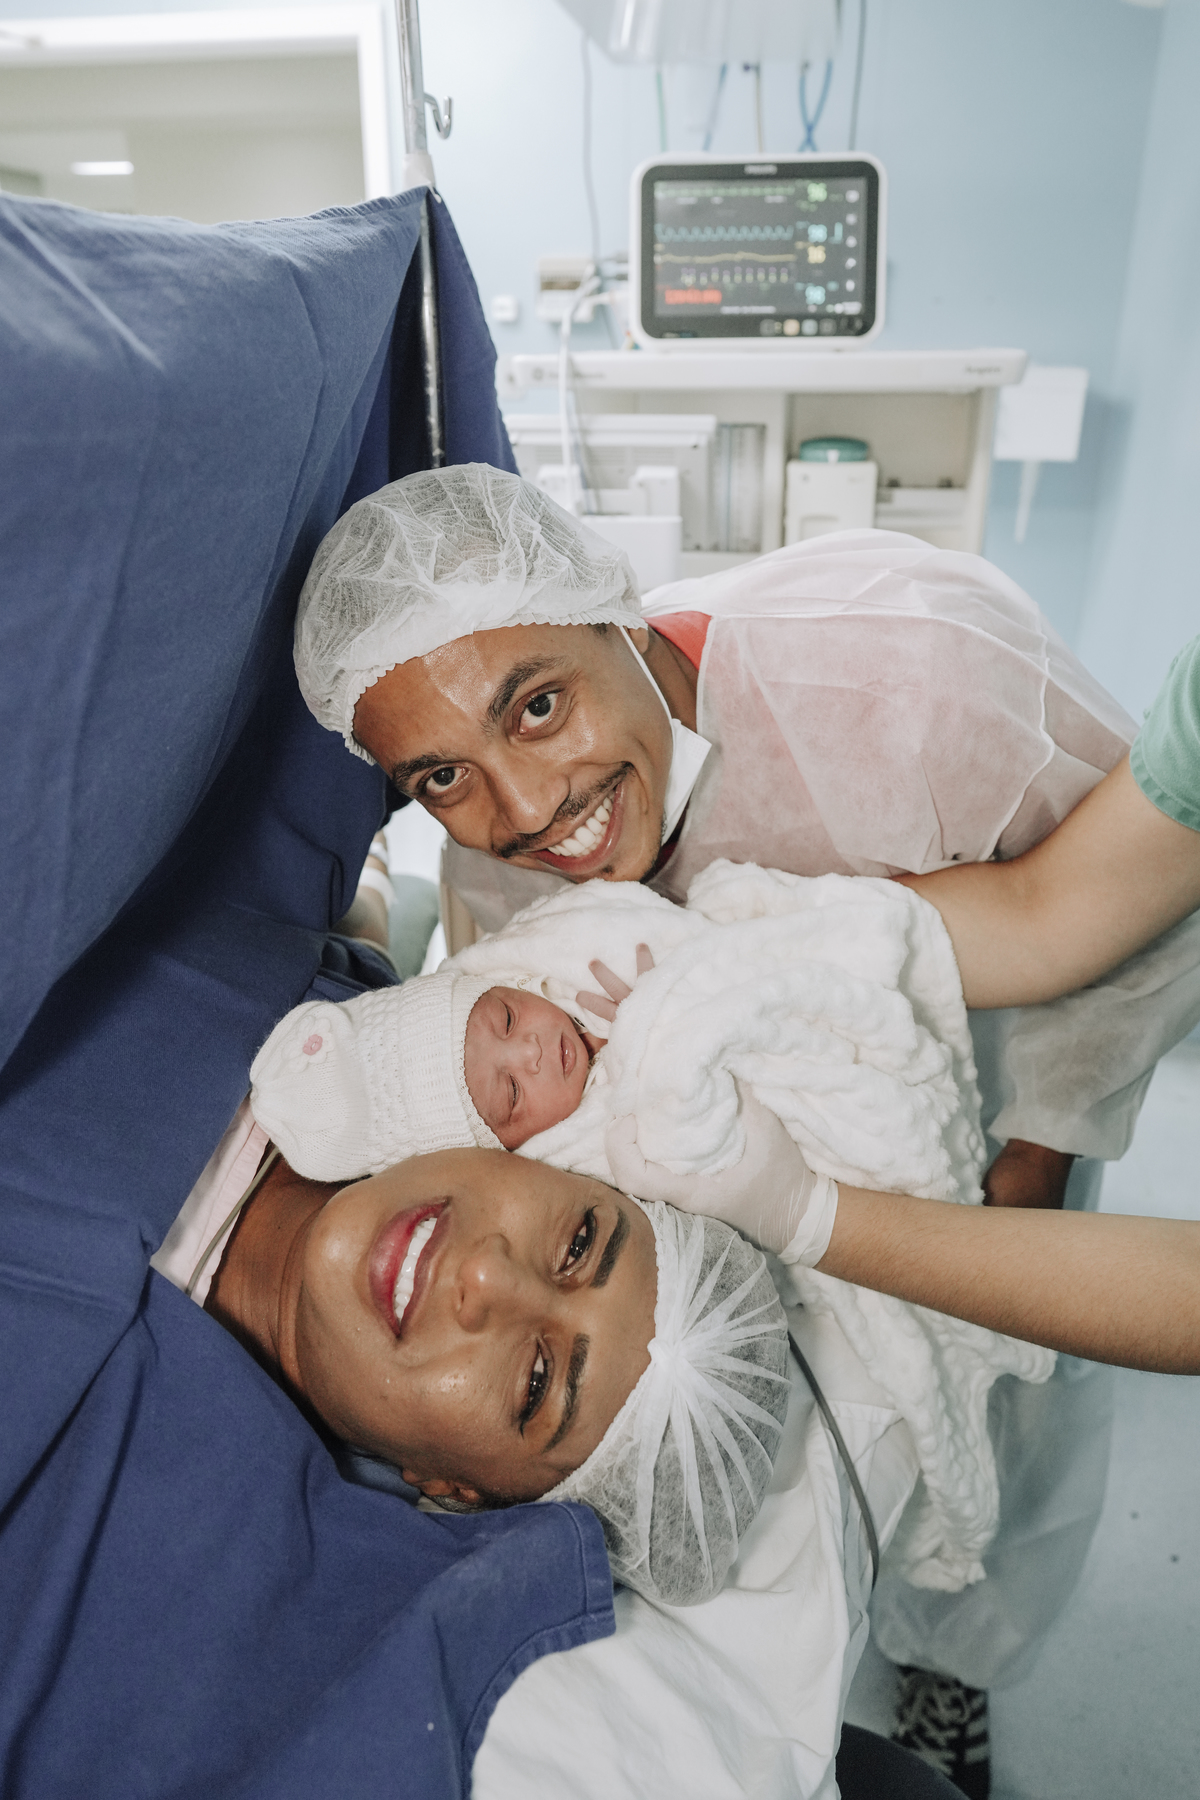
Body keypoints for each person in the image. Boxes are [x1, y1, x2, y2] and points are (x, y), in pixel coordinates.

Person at [292, 462, 1200, 1785]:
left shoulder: (915, 672)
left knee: (1005, 1409)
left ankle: (960, 1667)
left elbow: (1109, 929)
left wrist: (1026, 1168)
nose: (525, 812)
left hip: (1013, 1100)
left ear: (613, 607)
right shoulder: (495, 864)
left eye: (538, 705)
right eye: (441, 777)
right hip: (770, 1158)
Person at [151, 1122, 791, 1607]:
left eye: (536, 1383)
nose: (486, 1274)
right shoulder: (316, 1020)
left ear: (456, 1489)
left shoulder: (158, 1493)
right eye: (578, 1244)